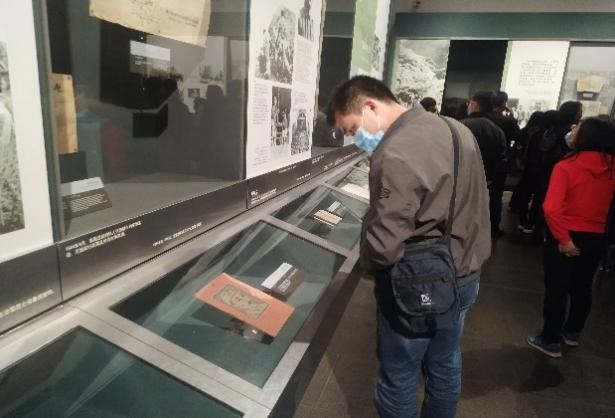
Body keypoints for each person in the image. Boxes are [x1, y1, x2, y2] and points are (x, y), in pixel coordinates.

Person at [327, 76, 491, 418]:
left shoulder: (396, 151)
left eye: (353, 128)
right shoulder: (456, 129)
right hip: (466, 270)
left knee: (398, 375)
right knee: (445, 362)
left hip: (420, 280)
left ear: (369, 106)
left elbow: (385, 240)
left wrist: (368, 265)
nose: (356, 139)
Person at [527, 117, 615, 358]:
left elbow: (552, 208)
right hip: (596, 236)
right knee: (582, 287)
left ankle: (550, 339)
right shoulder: (611, 168)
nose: (573, 131)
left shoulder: (567, 166)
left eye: (578, 129)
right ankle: (572, 332)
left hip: (566, 234)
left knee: (557, 289)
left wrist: (564, 239)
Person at [463, 91, 508, 237]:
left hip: (464, 175)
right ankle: (492, 228)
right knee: (493, 200)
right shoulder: (497, 130)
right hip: (489, 175)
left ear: (475, 104)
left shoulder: (462, 126)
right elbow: (501, 156)